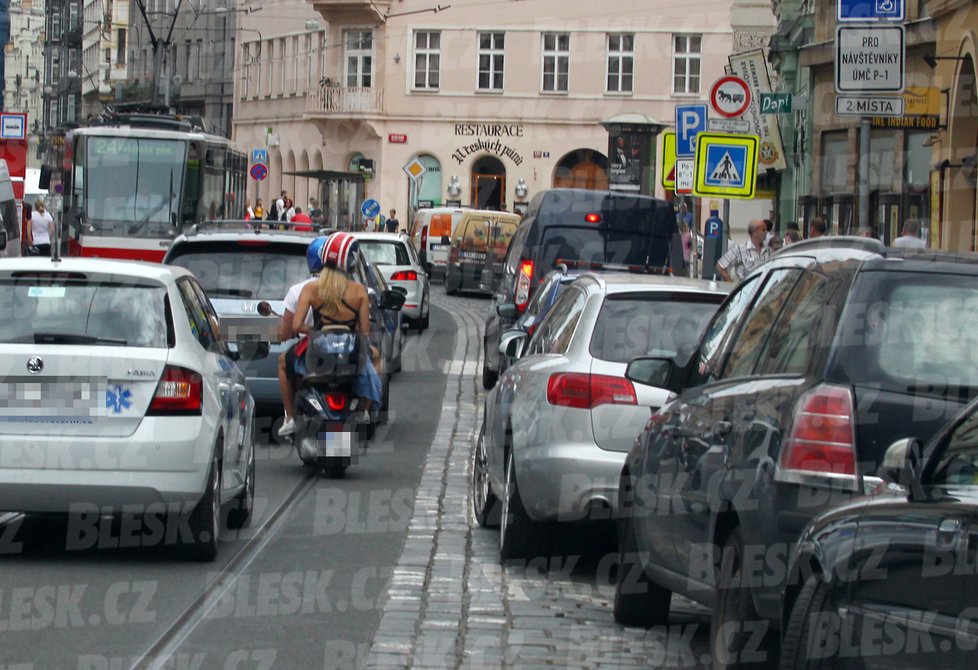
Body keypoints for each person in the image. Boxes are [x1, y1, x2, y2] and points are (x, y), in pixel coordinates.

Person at [292, 233, 382, 422]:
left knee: (285, 364)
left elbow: (296, 325)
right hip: (348, 352)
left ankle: (290, 417)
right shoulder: (359, 291)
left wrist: (314, 331)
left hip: (318, 351)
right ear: (349, 263)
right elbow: (364, 330)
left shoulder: (311, 289)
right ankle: (364, 408)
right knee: (375, 356)